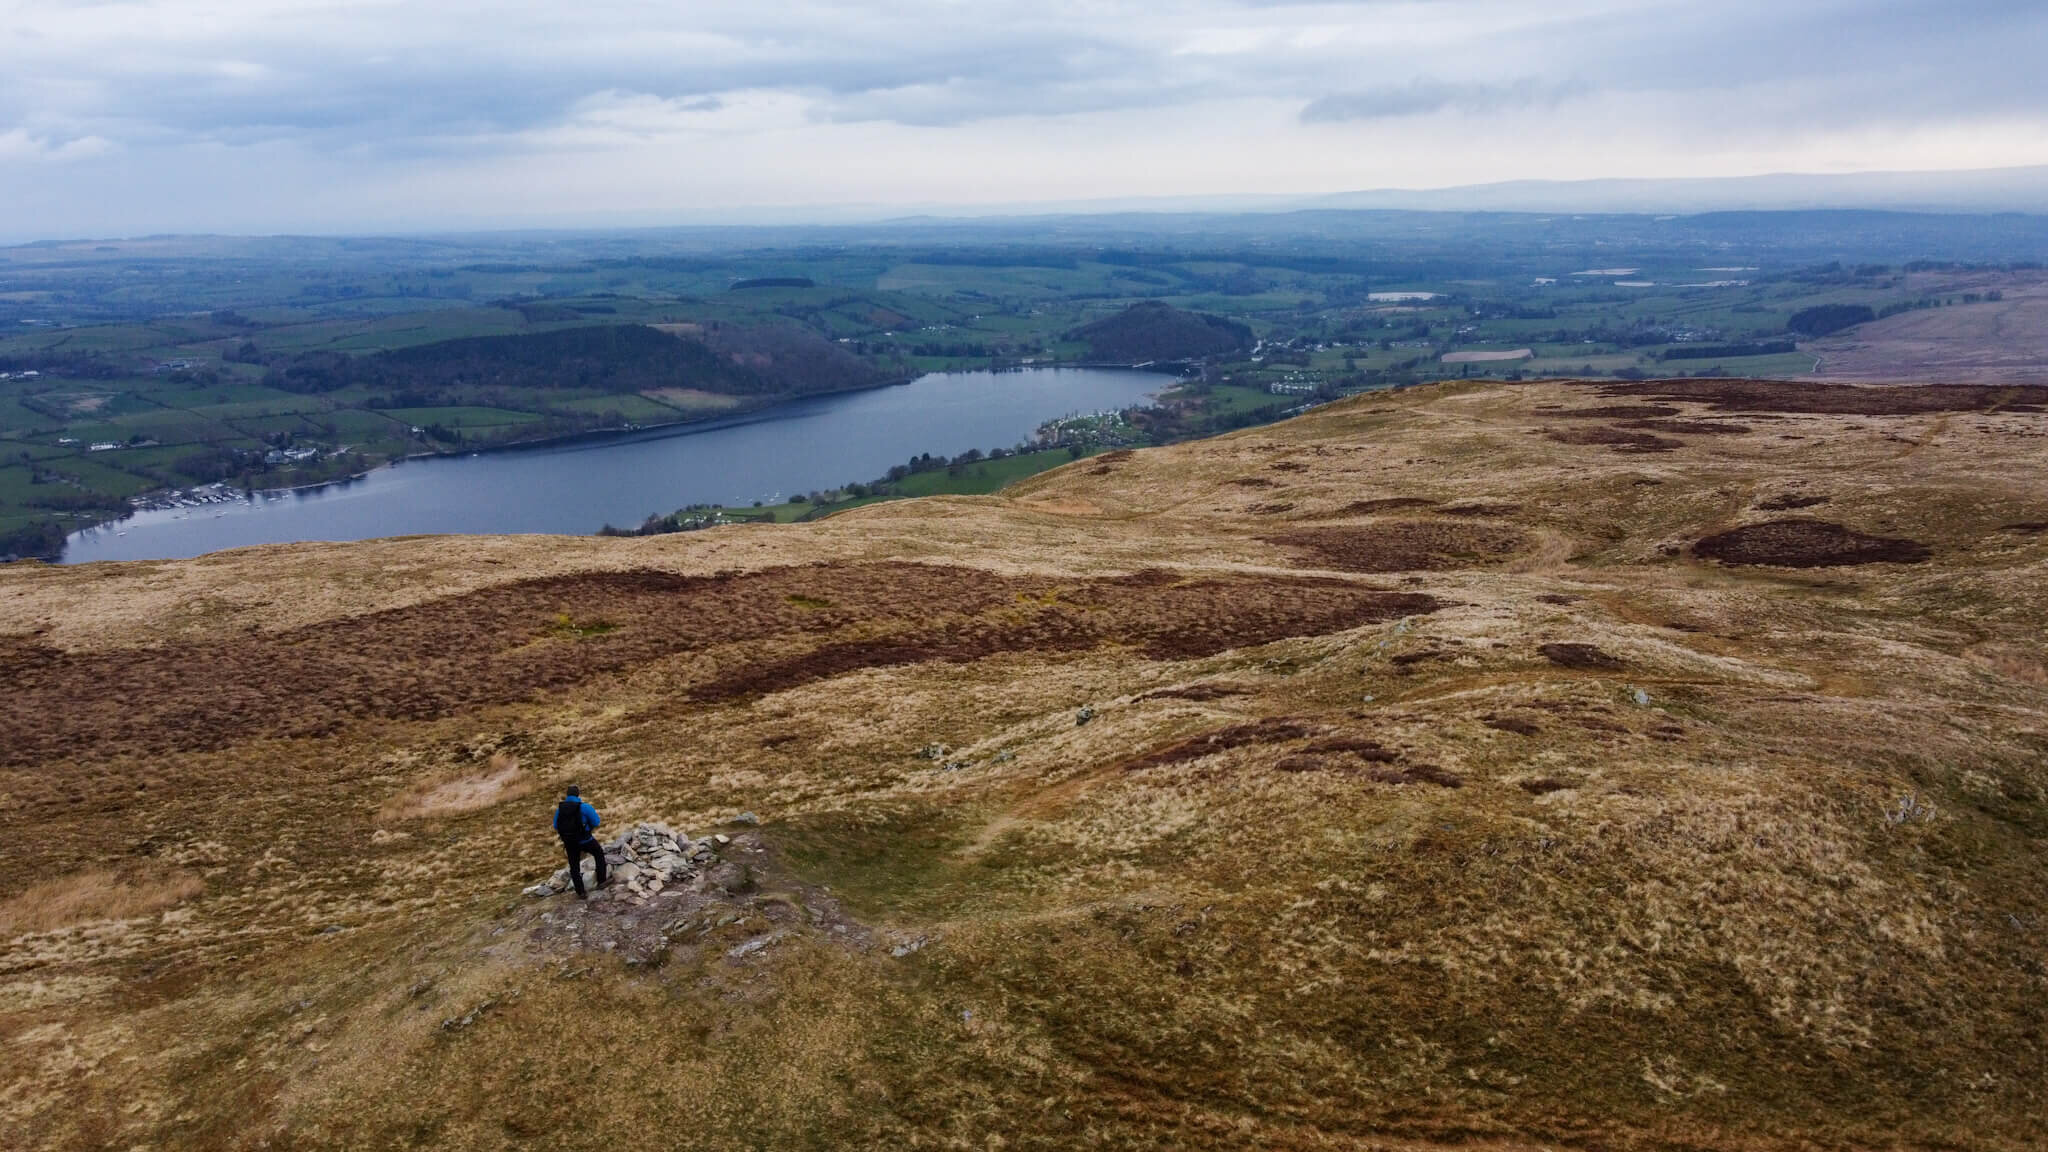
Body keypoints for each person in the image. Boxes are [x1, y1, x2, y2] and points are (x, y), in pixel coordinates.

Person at [553, 785, 608, 898]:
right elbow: (596, 822)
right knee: (598, 853)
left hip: (570, 843)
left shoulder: (560, 809)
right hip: (585, 840)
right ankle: (601, 881)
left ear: (567, 795)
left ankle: (581, 892)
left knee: (574, 866)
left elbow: (555, 825)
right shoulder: (585, 807)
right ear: (578, 794)